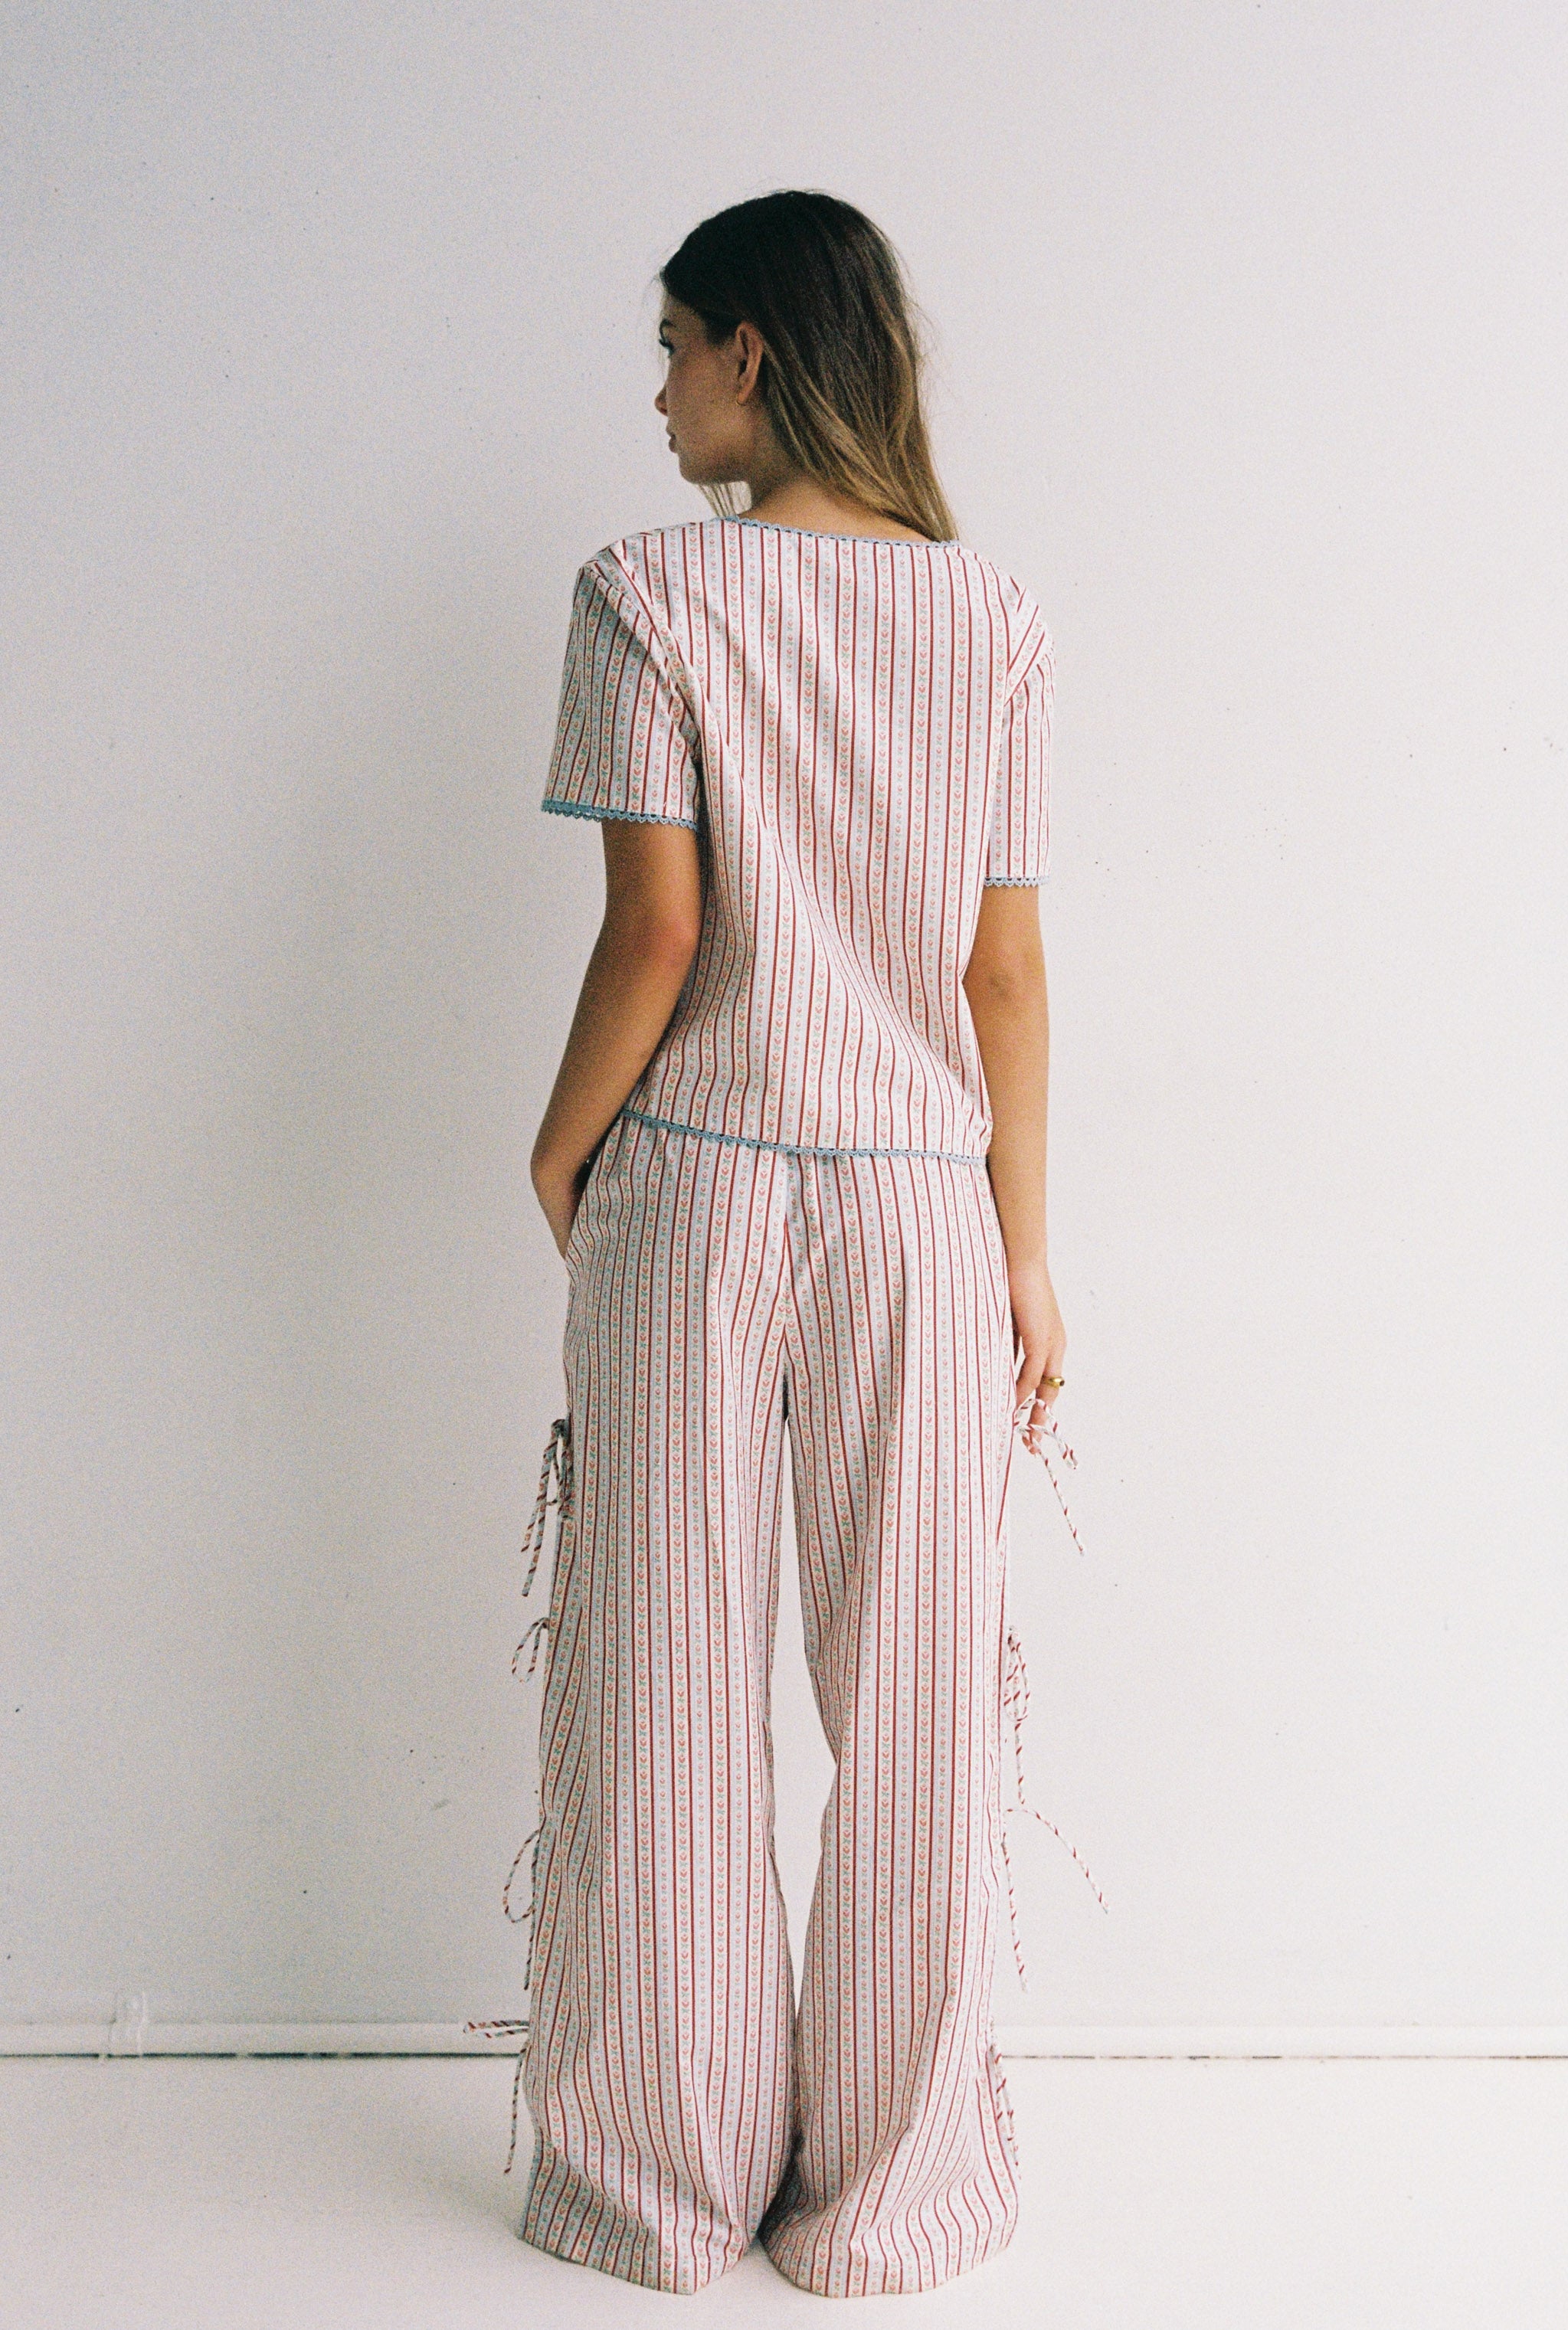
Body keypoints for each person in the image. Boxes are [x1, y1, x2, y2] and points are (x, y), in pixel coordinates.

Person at [516, 189, 1065, 2297]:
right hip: (924, 1204)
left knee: (664, 1689)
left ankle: (657, 2189)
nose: (656, 392)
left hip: (703, 1188)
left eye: (673, 347)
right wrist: (1025, 1250)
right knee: (917, 1701)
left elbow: (658, 929)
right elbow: (1000, 977)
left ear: (757, 350)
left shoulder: (647, 594)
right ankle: (887, 2202)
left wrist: (559, 1152)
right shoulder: (990, 616)